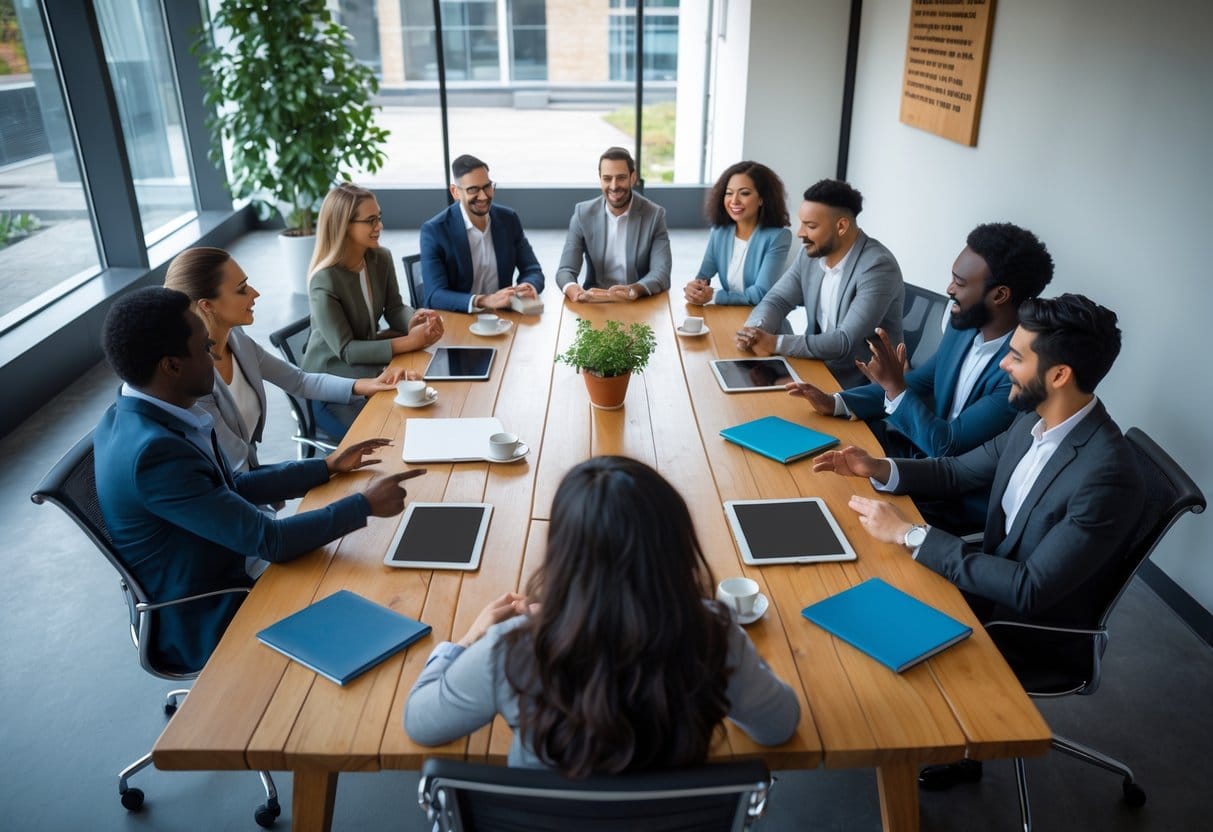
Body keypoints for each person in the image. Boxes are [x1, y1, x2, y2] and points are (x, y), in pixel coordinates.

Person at [94, 287, 423, 674]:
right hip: (214, 606)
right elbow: (272, 541)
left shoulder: (145, 413)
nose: (216, 355)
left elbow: (227, 488)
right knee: (392, 594)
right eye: (204, 348)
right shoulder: (154, 455)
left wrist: (328, 466)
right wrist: (364, 505)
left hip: (232, 557)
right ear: (171, 366)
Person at [404, 456, 799, 774]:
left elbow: (421, 724)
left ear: (562, 553)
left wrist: (469, 640)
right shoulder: (713, 633)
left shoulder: (512, 647)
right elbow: (778, 728)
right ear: (676, 546)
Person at [789, 223, 1055, 531]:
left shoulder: (1019, 369)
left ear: (1000, 295)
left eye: (960, 282)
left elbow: (948, 447)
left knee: (835, 512)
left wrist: (893, 387)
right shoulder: (963, 326)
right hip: (914, 455)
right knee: (816, 473)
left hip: (952, 496)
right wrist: (836, 403)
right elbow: (923, 380)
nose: (949, 289)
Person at [165, 247, 412, 472]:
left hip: (253, 480)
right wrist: (297, 478)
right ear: (207, 305)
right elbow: (234, 464)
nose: (255, 293)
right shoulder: (196, 380)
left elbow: (298, 380)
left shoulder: (238, 341)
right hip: (231, 491)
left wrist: (367, 384)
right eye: (242, 289)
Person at [302, 183, 444, 433]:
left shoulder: (380, 258)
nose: (379, 226)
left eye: (379, 217)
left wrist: (415, 320)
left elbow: (394, 308)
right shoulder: (324, 280)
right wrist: (411, 342)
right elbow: (347, 350)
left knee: (422, 416)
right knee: (385, 435)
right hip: (333, 387)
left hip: (369, 372)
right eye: (370, 220)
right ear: (344, 225)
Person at [735, 179, 903, 389]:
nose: (800, 233)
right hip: (817, 366)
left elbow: (844, 341)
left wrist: (775, 343)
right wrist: (755, 331)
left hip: (861, 382)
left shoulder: (877, 266)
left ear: (841, 226)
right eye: (801, 223)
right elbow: (777, 300)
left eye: (810, 226)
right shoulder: (812, 256)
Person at [419, 154, 545, 313]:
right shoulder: (435, 230)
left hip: (502, 317)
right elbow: (434, 295)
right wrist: (484, 300)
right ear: (455, 192)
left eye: (487, 186)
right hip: (460, 317)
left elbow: (532, 269)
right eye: (473, 189)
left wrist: (528, 286)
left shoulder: (508, 219)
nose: (483, 196)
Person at [555, 147, 672, 303]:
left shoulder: (655, 215)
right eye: (607, 178)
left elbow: (661, 273)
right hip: (595, 300)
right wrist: (573, 289)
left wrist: (634, 290)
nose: (614, 186)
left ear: (633, 177)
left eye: (621, 177)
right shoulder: (583, 213)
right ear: (600, 179)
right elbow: (565, 270)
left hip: (637, 301)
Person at [683, 161, 792, 307]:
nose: (734, 201)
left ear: (762, 199)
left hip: (760, 322)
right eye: (729, 193)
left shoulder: (778, 237)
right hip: (727, 315)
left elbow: (760, 294)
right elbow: (703, 277)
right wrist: (695, 289)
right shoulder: (719, 232)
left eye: (744, 193)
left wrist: (714, 295)